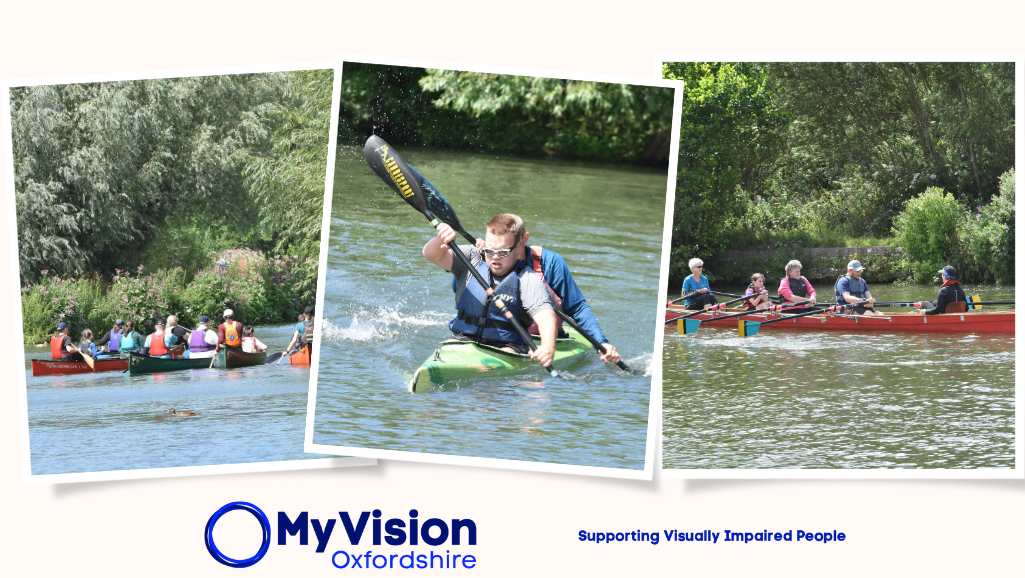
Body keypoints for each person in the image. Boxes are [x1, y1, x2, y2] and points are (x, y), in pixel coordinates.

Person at [423, 214, 557, 367]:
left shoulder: (527, 279)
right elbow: (431, 254)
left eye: (503, 252)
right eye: (490, 251)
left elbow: (546, 316)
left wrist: (547, 347)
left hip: (508, 349)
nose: (494, 258)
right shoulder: (471, 258)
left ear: (519, 247)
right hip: (463, 341)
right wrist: (440, 238)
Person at [487, 215, 619, 364]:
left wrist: (602, 343)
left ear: (524, 238)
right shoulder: (486, 257)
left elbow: (577, 308)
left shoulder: (549, 263)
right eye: (492, 249)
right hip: (496, 336)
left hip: (538, 339)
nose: (496, 254)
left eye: (505, 248)